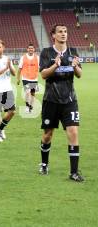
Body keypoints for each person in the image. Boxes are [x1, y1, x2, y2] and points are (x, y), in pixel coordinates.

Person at [38, 24, 84, 182]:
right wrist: (55, 65)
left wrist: (76, 66)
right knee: (47, 135)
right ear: (53, 35)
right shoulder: (46, 52)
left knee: (73, 133)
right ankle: (44, 163)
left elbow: (79, 74)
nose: (63, 34)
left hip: (70, 100)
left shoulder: (73, 52)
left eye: (65, 31)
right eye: (60, 32)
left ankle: (74, 172)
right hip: (51, 100)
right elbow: (43, 74)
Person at [17, 44, 39, 113]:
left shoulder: (37, 57)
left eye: (32, 48)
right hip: (25, 78)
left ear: (34, 49)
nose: (31, 49)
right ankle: (27, 107)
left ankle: (31, 108)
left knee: (32, 94)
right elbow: (19, 69)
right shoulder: (23, 57)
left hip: (34, 78)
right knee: (27, 92)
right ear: (27, 49)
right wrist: (18, 78)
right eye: (29, 48)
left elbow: (40, 67)